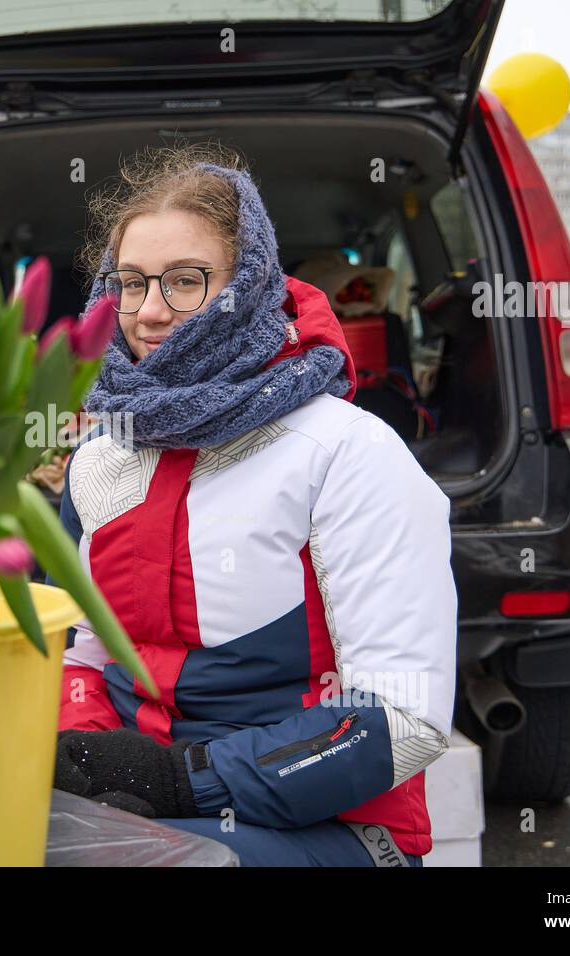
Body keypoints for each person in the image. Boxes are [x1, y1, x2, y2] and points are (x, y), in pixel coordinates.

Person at [48, 144, 458, 867]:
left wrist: (183, 783)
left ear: (253, 284)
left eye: (185, 281)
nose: (149, 311)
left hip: (335, 832)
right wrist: (89, 764)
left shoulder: (346, 452)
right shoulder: (98, 460)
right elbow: (76, 650)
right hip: (152, 812)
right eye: (131, 283)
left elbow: (404, 720)